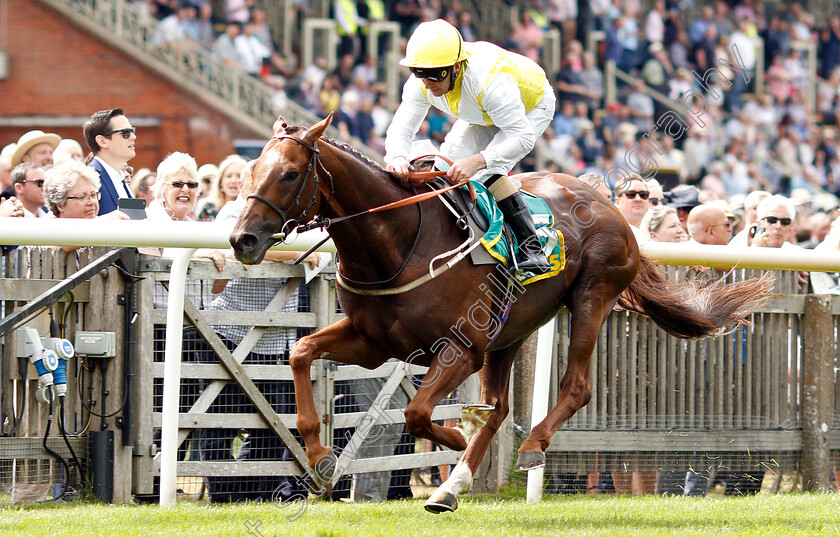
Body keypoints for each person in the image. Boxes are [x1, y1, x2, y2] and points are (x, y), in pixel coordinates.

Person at [385, 19, 556, 274]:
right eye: (419, 73)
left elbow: (521, 136)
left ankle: (532, 247)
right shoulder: (421, 82)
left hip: (530, 108)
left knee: (486, 170)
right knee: (446, 166)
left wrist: (478, 160)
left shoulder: (489, 82)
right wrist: (397, 157)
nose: (428, 84)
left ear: (456, 66)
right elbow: (402, 127)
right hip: (482, 113)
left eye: (435, 75)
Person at [199, 159, 321, 502]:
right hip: (228, 332)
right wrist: (296, 253)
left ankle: (256, 493)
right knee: (220, 421)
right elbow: (244, 247)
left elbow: (315, 251)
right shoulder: (232, 211)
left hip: (280, 336)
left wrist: (297, 252)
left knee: (273, 425)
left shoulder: (289, 216)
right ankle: (224, 496)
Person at [42, 161, 129, 252]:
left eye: (93, 195)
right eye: (81, 197)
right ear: (60, 205)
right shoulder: (46, 228)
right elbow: (51, 252)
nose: (91, 202)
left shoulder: (103, 225)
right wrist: (99, 225)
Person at [82, 108, 137, 216]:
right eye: (125, 133)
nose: (133, 137)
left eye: (132, 131)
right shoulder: (87, 179)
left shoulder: (122, 179)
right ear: (102, 141)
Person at [196, 155, 244, 221]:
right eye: (229, 176)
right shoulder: (208, 208)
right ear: (220, 182)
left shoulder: (251, 210)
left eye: (239, 176)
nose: (233, 180)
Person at [613, 174, 650, 243]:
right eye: (631, 194)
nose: (638, 199)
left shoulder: (657, 231)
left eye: (643, 195)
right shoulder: (611, 232)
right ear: (617, 202)